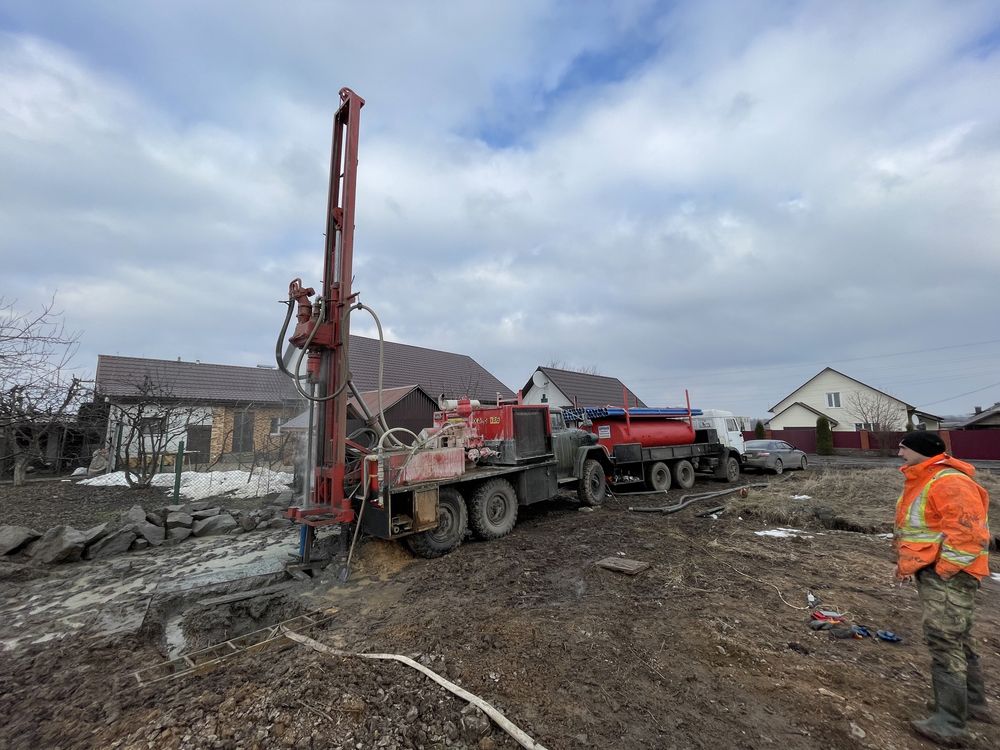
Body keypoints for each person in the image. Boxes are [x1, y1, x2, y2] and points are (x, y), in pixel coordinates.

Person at [894, 430, 993, 746]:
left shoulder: (949, 481)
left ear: (922, 450)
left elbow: (969, 534)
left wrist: (945, 571)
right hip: (935, 570)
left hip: (949, 574)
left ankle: (949, 722)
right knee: (957, 638)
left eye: (904, 448)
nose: (899, 454)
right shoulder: (925, 478)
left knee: (945, 641)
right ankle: (973, 704)